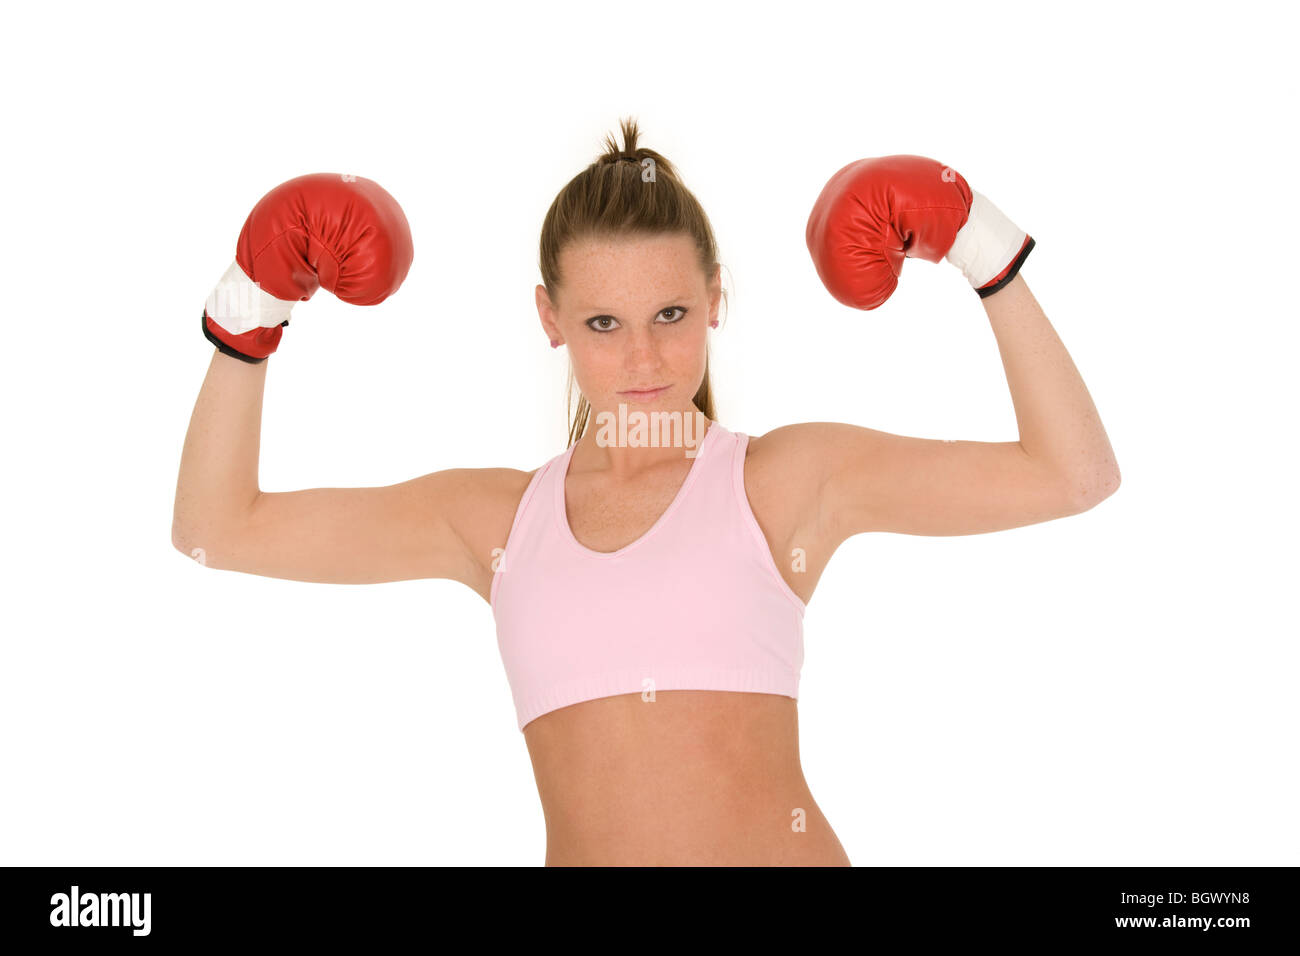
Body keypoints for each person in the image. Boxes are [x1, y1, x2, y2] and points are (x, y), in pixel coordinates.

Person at [172, 118, 1120, 866]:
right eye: (602, 321)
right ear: (549, 318)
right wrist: (249, 308)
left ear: (716, 295)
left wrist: (983, 248)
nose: (642, 358)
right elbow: (219, 528)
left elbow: (1072, 474)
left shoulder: (782, 484)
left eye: (670, 313)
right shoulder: (497, 524)